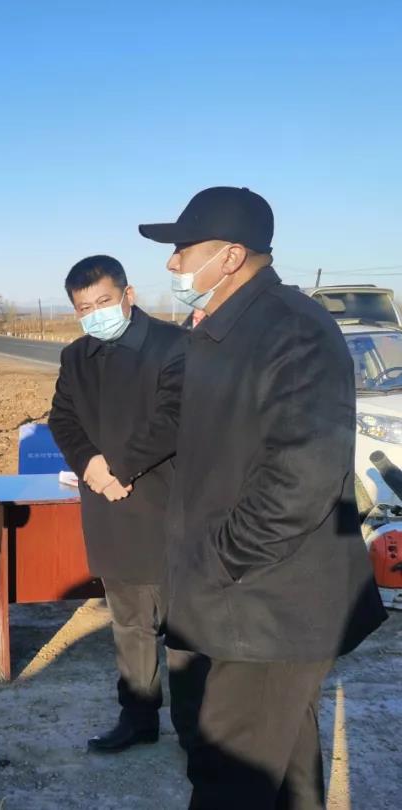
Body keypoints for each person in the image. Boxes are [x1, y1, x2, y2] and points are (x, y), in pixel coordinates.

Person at [131, 186, 387, 808]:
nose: (172, 262)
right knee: (287, 774)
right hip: (229, 597)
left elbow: (301, 476)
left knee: (229, 774)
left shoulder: (292, 330)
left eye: (184, 248)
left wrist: (219, 561)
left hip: (264, 605)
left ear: (231, 256)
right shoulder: (226, 327)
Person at [48, 255, 189, 754]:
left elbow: (174, 419)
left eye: (104, 301)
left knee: (185, 631)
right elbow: (62, 418)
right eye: (84, 308)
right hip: (109, 512)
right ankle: (138, 717)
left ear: (128, 296)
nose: (95, 314)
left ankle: (198, 728)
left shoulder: (173, 345)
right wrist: (90, 465)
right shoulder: (76, 356)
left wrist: (119, 469)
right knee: (130, 623)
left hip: (168, 509)